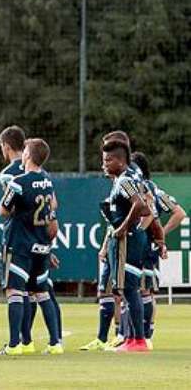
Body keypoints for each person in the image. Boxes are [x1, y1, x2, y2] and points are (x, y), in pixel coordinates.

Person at [0, 138, 62, 356]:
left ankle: (15, 344)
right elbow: (53, 206)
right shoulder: (47, 182)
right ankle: (55, 343)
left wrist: (20, 209)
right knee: (42, 292)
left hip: (21, 245)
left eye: (25, 150)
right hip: (41, 245)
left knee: (15, 291)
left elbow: (3, 210)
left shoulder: (18, 181)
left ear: (28, 155)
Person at [99, 139, 153, 352]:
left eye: (108, 160)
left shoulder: (125, 180)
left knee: (129, 288)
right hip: (126, 238)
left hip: (127, 239)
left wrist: (122, 227)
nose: (104, 164)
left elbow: (141, 205)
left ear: (120, 161)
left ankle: (138, 339)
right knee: (125, 288)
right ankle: (131, 338)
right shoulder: (125, 178)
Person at [130, 152, 181, 349]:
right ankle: (142, 334)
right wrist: (161, 236)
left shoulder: (147, 191)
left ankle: (143, 335)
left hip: (143, 243)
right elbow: (178, 212)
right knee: (145, 290)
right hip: (149, 243)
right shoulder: (156, 192)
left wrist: (160, 234)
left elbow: (179, 213)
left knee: (141, 290)